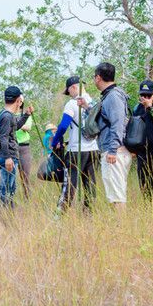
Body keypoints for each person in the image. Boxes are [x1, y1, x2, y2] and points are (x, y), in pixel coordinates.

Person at [78, 63, 131, 210]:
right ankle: (119, 229)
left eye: (94, 77)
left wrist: (113, 149)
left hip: (114, 151)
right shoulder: (110, 95)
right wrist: (86, 107)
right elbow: (104, 119)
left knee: (117, 196)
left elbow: (118, 123)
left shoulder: (113, 96)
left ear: (98, 78)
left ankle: (121, 230)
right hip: (112, 149)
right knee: (115, 194)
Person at [51, 76, 99, 210]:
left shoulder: (72, 104)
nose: (69, 95)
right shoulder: (94, 103)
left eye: (69, 92)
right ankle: (88, 215)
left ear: (73, 87)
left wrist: (55, 140)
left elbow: (62, 126)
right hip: (94, 149)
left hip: (76, 150)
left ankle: (60, 215)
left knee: (70, 185)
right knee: (90, 185)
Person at [0, 86, 34, 209]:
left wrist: (26, 115)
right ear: (18, 100)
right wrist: (8, 158)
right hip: (8, 157)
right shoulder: (7, 116)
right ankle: (2, 214)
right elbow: (4, 138)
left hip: (11, 156)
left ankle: (9, 216)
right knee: (6, 188)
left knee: (10, 189)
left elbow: (14, 128)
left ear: (4, 98)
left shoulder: (6, 114)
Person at [15, 101, 34, 200]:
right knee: (10, 178)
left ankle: (28, 201)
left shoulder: (25, 115)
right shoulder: (7, 114)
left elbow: (27, 127)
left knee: (26, 177)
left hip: (24, 148)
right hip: (12, 147)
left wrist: (15, 124)